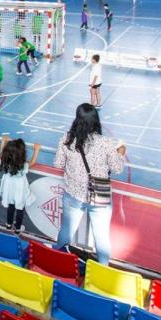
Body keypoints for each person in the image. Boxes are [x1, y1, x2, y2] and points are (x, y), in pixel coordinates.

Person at [53, 104, 126, 264]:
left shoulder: (67, 139)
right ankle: (102, 270)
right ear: (96, 121)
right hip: (99, 194)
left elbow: (58, 164)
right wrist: (121, 152)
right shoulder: (105, 143)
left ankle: (57, 261)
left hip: (73, 193)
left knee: (66, 231)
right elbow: (117, 168)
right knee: (101, 237)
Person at [0, 136, 39, 233]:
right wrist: (36, 149)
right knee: (20, 208)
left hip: (9, 189)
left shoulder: (5, 161)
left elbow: (1, 154)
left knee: (11, 206)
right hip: (19, 190)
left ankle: (9, 225)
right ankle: (17, 228)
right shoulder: (23, 165)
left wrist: (3, 141)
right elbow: (33, 162)